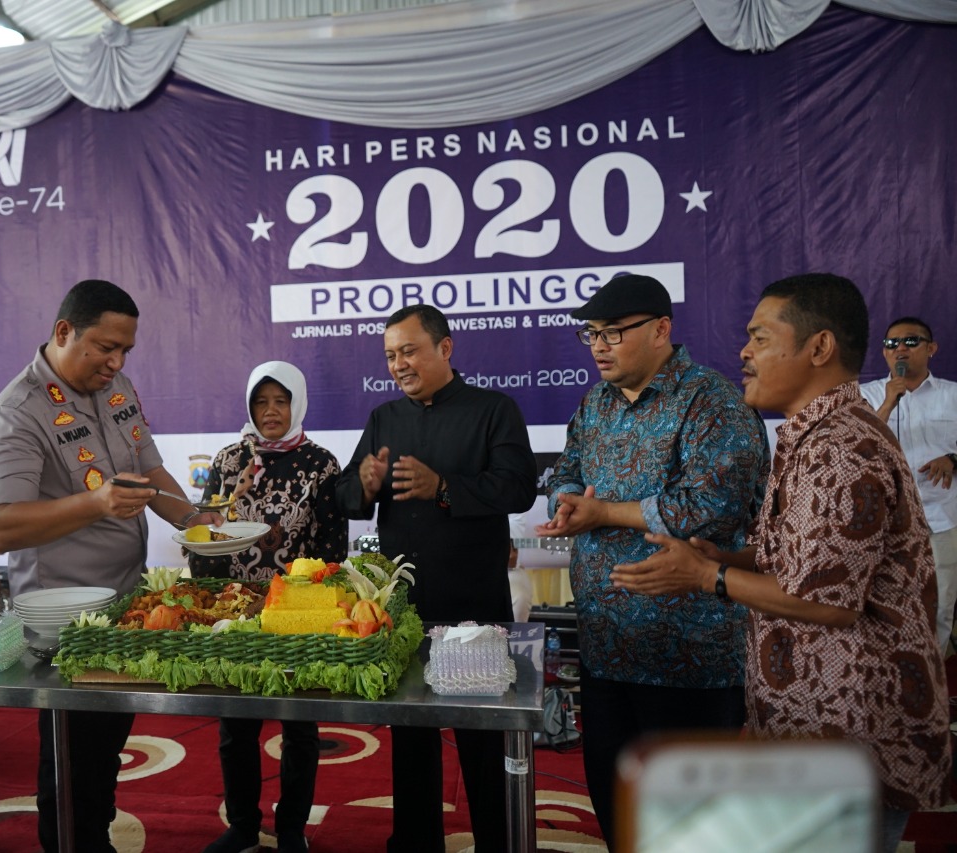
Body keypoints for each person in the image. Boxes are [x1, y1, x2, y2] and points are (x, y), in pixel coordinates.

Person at [611, 273, 952, 853]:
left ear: (819, 347)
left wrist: (706, 576)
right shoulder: (813, 436)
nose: (744, 352)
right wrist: (725, 557)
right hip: (813, 725)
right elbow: (805, 559)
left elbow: (827, 602)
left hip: (851, 729)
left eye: (760, 338)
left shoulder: (842, 449)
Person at [0, 279, 217, 853]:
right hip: (66, 625)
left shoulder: (116, 387)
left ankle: (95, 839)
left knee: (105, 752)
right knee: (70, 763)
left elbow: (149, 471)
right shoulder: (17, 413)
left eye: (126, 350)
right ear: (64, 332)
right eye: (106, 348)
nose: (117, 363)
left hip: (125, 607)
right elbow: (3, 527)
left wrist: (198, 524)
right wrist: (97, 503)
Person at [536, 274, 769, 849]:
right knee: (616, 804)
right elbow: (567, 468)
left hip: (688, 654)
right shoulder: (596, 403)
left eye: (613, 332)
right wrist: (567, 501)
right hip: (605, 643)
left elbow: (712, 509)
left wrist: (603, 514)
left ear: (662, 329)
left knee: (689, 825)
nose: (599, 346)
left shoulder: (712, 402)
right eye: (592, 334)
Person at [334, 304, 537, 853]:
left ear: (445, 348)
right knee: (411, 738)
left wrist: (443, 486)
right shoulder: (384, 418)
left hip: (473, 604)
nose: (398, 364)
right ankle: (416, 841)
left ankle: (497, 841)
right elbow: (346, 496)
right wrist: (364, 484)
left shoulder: (493, 410)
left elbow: (519, 487)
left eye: (409, 351)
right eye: (390, 355)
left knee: (482, 737)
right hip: (403, 609)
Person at [189, 361, 345, 853]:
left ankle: (292, 829)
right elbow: (204, 535)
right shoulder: (230, 460)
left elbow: (333, 547)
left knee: (299, 726)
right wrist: (216, 601)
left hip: (296, 615)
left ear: (297, 404)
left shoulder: (321, 464)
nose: (271, 411)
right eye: (261, 401)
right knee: (236, 725)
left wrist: (308, 601)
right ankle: (241, 826)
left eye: (281, 401)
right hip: (236, 612)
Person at [860, 317, 957, 654]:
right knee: (886, 602)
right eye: (891, 344)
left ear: (931, 349)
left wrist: (953, 459)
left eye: (911, 341)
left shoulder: (953, 394)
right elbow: (856, 448)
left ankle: (933, 674)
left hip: (942, 517)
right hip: (885, 522)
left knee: (941, 604)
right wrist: (888, 403)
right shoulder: (866, 395)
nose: (900, 348)